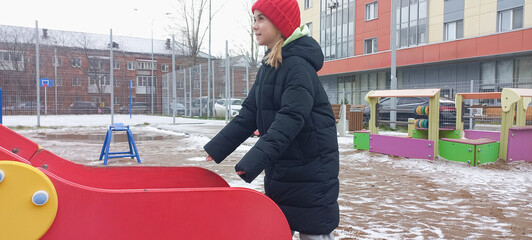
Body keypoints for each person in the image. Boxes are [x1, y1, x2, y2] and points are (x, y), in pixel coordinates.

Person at [203, 0, 339, 239]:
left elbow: (290, 119)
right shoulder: (270, 65)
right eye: (254, 19)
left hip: (310, 171)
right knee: (279, 227)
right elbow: (249, 114)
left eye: (261, 19)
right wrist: (219, 146)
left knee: (312, 231)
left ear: (279, 23)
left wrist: (252, 161)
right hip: (284, 169)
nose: (254, 26)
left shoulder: (298, 66)